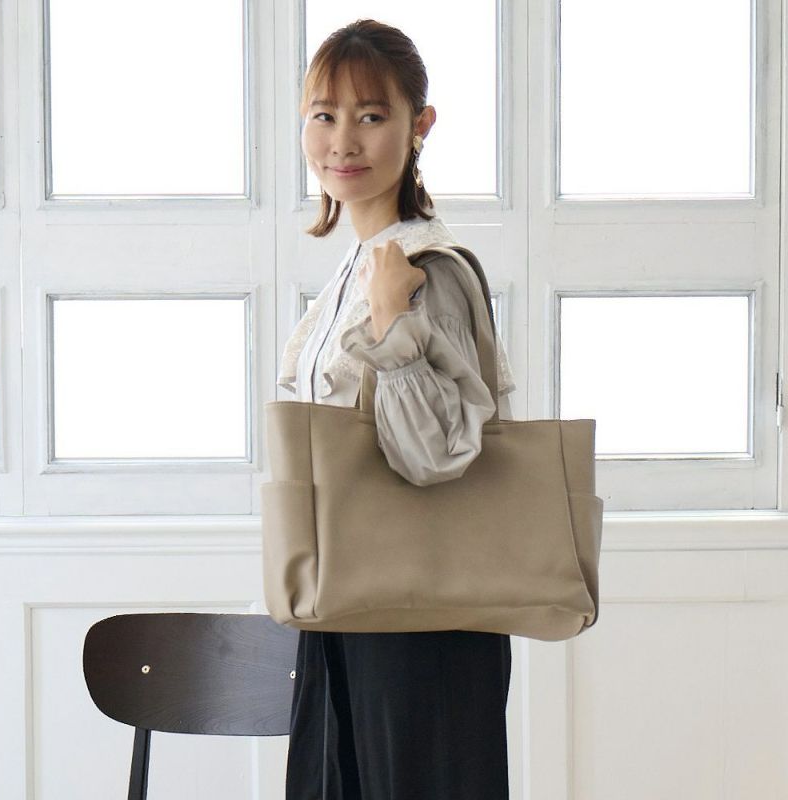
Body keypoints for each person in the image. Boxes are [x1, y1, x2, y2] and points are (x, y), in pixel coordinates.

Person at [275, 18, 518, 799]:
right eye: (324, 114)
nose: (342, 140)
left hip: (421, 621)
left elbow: (435, 455)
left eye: (371, 115)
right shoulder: (357, 267)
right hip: (351, 604)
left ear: (420, 126)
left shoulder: (424, 269)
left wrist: (393, 324)